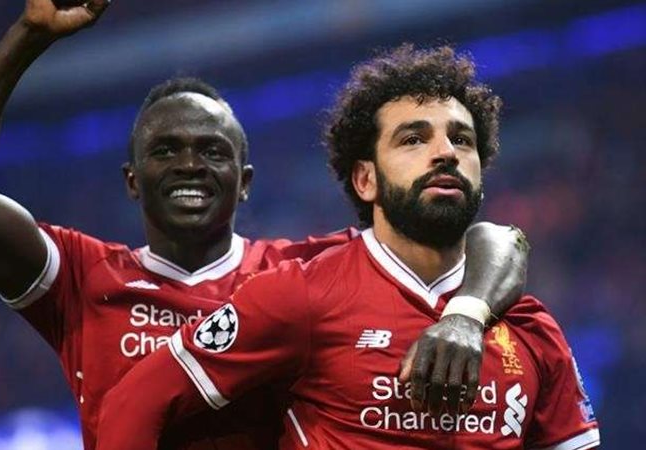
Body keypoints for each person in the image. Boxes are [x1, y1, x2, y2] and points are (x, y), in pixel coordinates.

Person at [0, 1, 528, 449]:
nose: (189, 165)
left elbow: (490, 239)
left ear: (245, 180)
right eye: (166, 150)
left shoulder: (301, 272)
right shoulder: (80, 276)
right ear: (132, 180)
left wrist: (466, 311)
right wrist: (27, 36)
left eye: (212, 151)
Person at [96, 44, 600, 450]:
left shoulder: (533, 330)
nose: (445, 152)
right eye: (413, 139)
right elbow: (135, 402)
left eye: (462, 140)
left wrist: (467, 315)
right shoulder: (301, 295)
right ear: (365, 179)